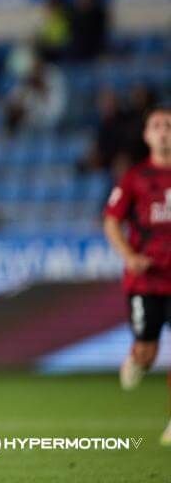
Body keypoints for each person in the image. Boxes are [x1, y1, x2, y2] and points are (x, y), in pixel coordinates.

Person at [103, 107, 171, 447]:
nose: (163, 132)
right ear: (147, 136)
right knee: (148, 351)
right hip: (147, 280)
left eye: (168, 126)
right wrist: (129, 257)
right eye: (157, 126)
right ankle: (136, 359)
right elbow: (112, 220)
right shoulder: (135, 177)